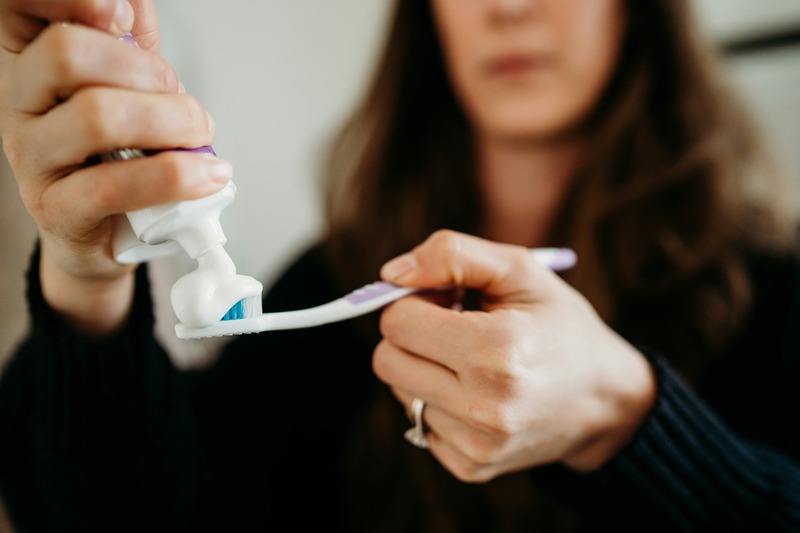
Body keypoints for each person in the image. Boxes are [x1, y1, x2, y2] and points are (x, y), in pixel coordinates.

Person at [1, 0, 799, 530]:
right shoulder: (333, 287)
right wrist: (87, 275)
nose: (509, 8)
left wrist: (625, 418)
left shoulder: (776, 294)